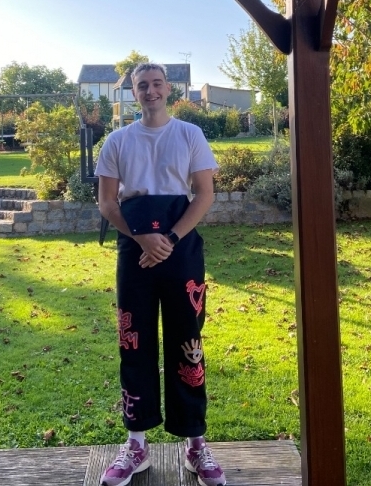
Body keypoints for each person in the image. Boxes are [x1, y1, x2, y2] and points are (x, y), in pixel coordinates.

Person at [95, 62, 226, 486]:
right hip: (133, 248)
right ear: (133, 93)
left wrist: (167, 238)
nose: (150, 91)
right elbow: (107, 203)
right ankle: (136, 443)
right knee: (133, 340)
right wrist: (141, 238)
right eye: (141, 86)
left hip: (181, 247)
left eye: (156, 84)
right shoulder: (117, 141)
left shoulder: (190, 134)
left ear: (168, 89)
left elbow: (204, 194)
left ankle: (195, 442)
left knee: (188, 341)